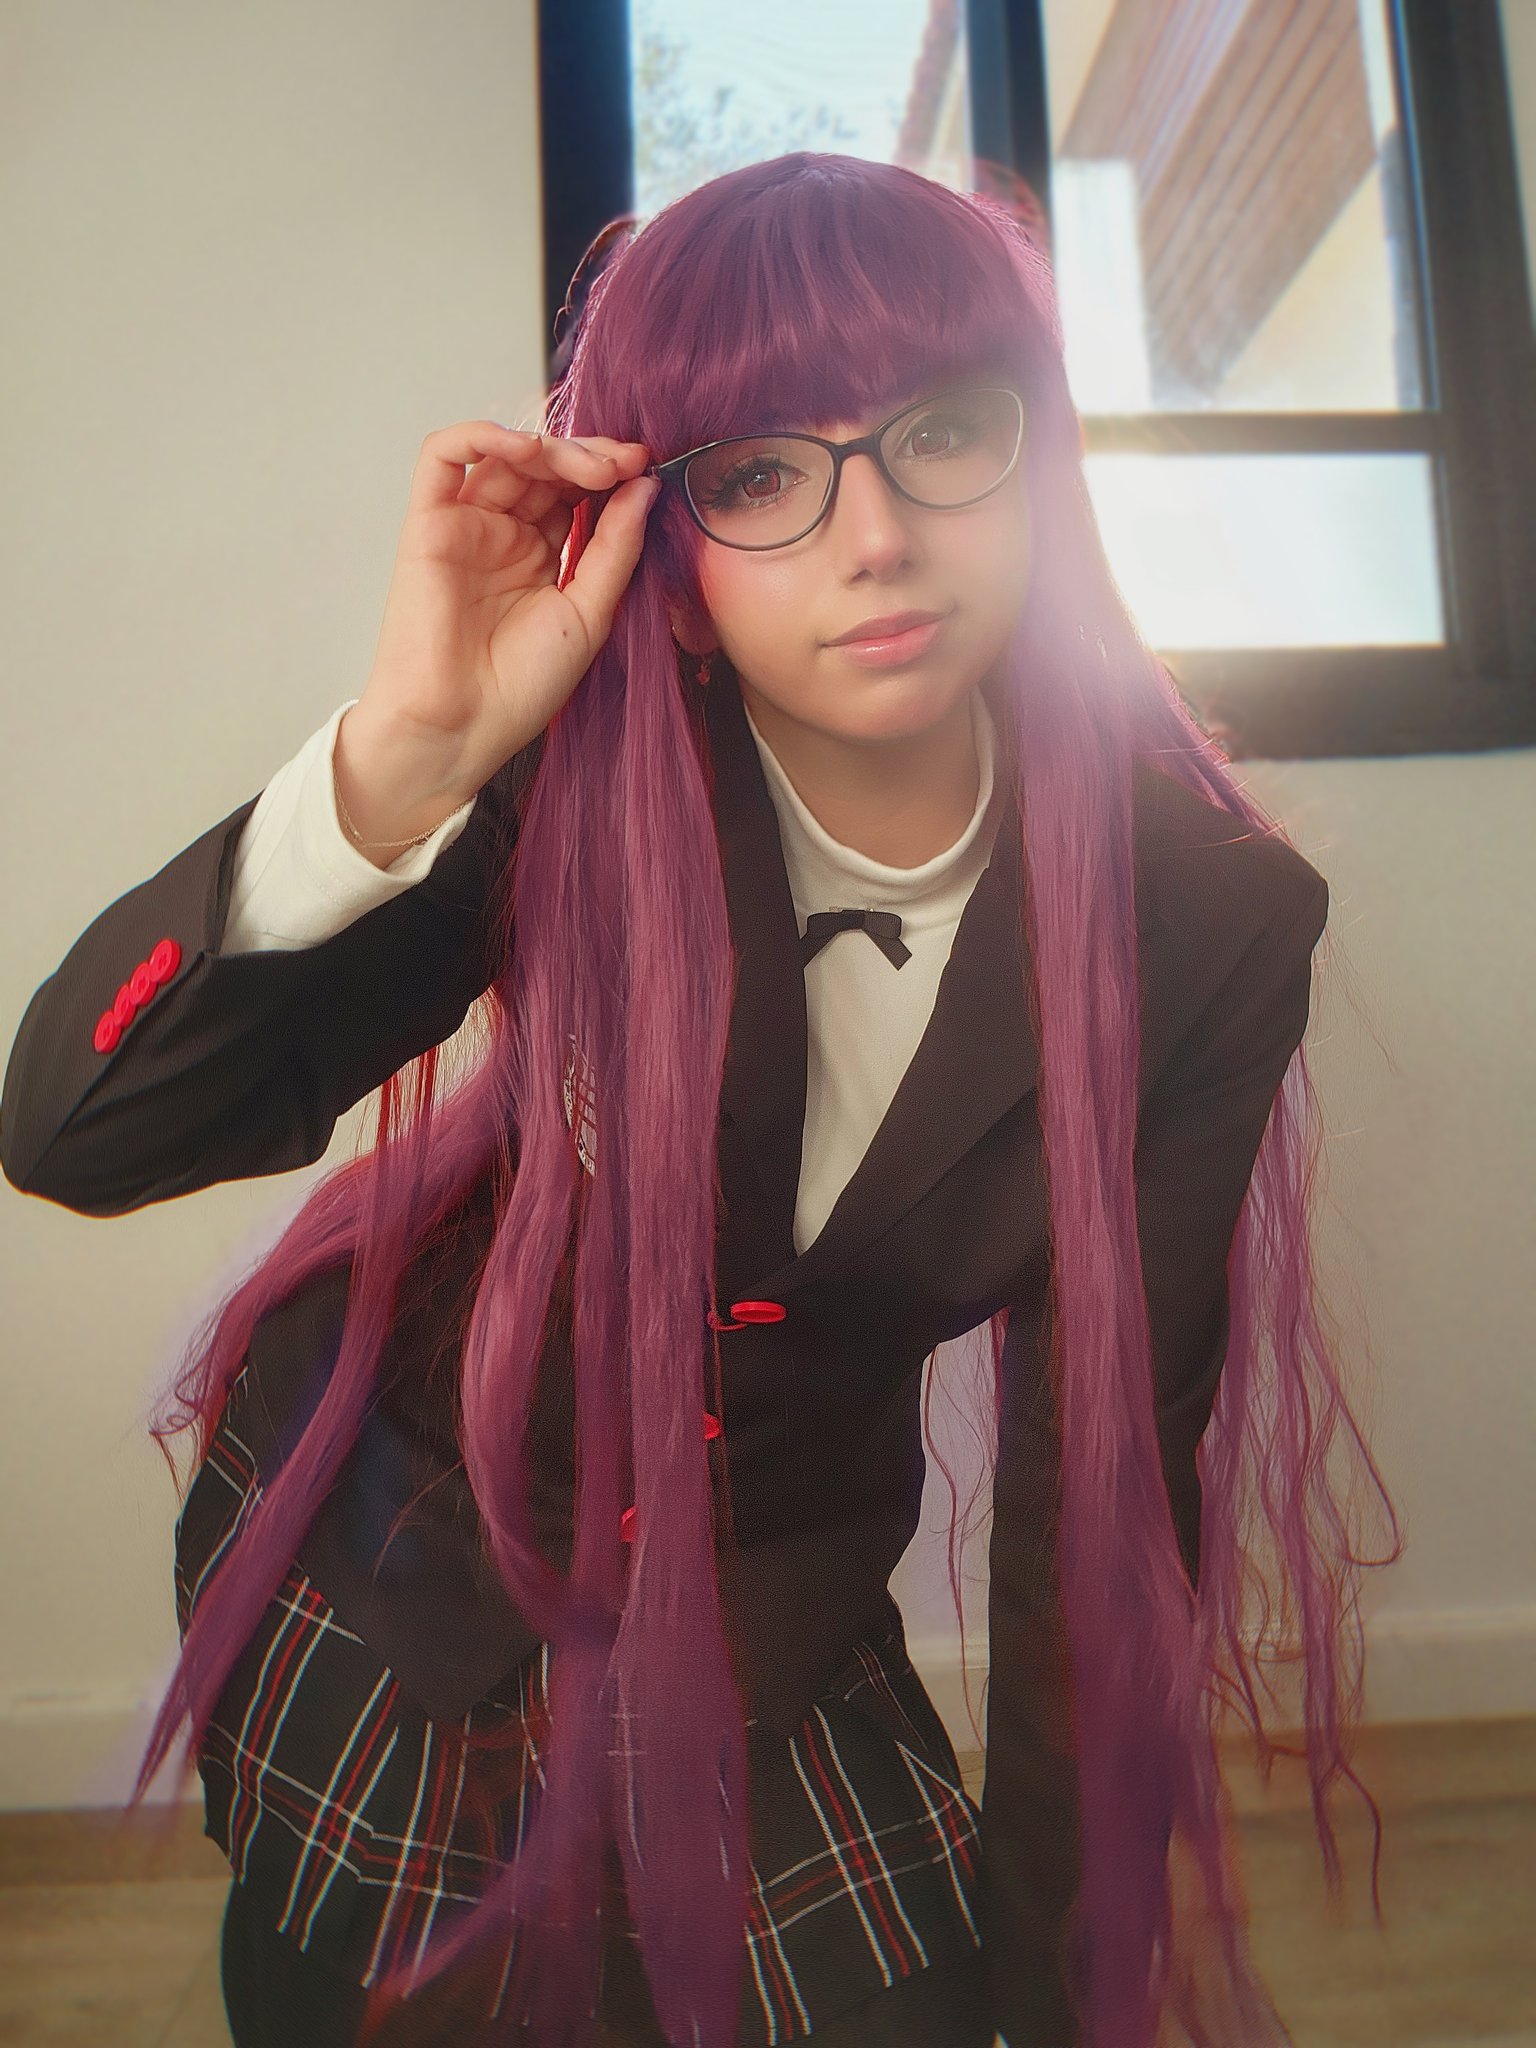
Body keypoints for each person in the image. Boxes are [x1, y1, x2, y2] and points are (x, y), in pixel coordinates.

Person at [0, 153, 1401, 2048]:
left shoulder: (1207, 920)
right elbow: (79, 1130)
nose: (877, 537)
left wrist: (1071, 1999)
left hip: (773, 1601)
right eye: (758, 474)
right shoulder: (569, 768)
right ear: (663, 540)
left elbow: (1104, 1491)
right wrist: (402, 756)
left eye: (945, 432)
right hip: (416, 1539)